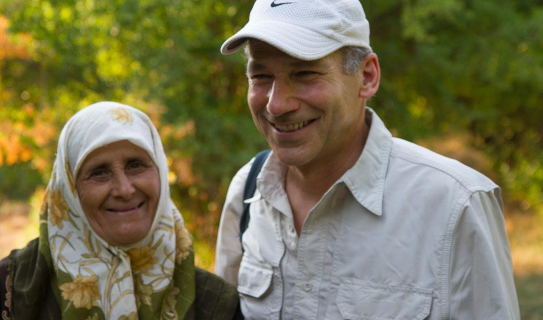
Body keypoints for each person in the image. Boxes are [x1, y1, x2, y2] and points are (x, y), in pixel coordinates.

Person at [214, 0, 520, 319]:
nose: (276, 105)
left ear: (367, 76)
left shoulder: (456, 205)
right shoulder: (248, 190)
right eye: (261, 76)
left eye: (304, 74)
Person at [0, 101, 242, 320]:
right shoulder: (12, 288)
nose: (124, 189)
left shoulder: (214, 302)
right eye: (99, 172)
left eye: (136, 164)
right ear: (69, 191)